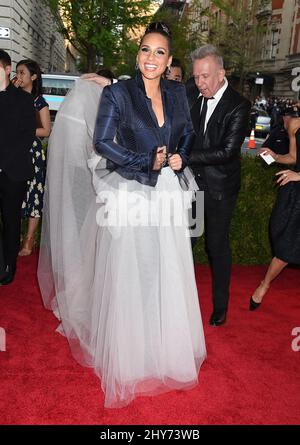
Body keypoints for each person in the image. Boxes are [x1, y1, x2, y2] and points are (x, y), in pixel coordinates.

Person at [40, 22, 206, 409]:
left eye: (159, 52)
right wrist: (144, 159)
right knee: (133, 270)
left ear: (168, 62)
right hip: (131, 190)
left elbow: (187, 132)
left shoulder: (179, 93)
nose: (151, 58)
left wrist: (181, 153)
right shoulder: (119, 93)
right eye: (145, 50)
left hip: (168, 191)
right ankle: (131, 353)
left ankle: (165, 348)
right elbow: (102, 142)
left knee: (166, 268)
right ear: (138, 55)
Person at [186, 44, 251, 327]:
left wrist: (184, 157)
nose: (200, 83)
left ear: (221, 73)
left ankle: (220, 306)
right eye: (196, 77)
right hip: (191, 186)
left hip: (220, 188)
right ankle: (177, 300)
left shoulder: (239, 105)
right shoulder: (192, 92)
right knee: (184, 242)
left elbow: (226, 152)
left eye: (206, 76)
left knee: (216, 246)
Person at [249, 118, 300, 310]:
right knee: (286, 244)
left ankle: (263, 286)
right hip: (296, 195)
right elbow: (294, 157)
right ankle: (265, 284)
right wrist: (275, 156)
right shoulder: (295, 124)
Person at [0, 50, 36, 285]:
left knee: (11, 222)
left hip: (12, 172)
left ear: (6, 69)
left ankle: (8, 267)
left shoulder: (23, 100)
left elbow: (26, 138)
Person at [12, 59, 51, 256]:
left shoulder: (39, 101)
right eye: (16, 72)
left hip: (32, 152)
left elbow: (46, 130)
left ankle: (28, 240)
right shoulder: (11, 97)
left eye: (22, 73)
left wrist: (25, 130)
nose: (17, 76)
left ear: (33, 77)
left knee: (34, 194)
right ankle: (14, 235)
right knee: (13, 194)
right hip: (12, 151)